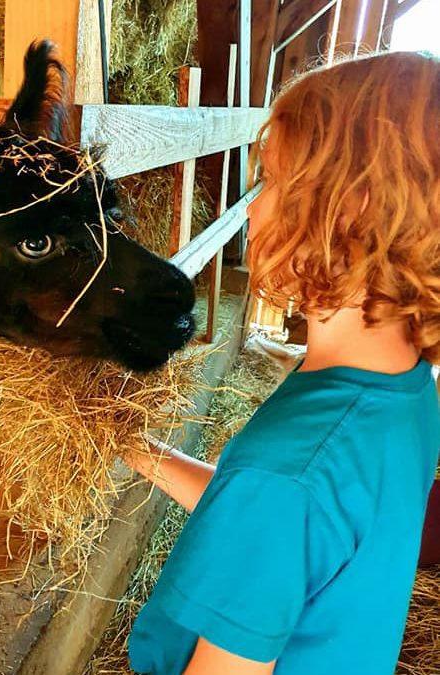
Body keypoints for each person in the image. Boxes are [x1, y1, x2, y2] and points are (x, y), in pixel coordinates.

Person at [125, 50, 440, 675]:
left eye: (269, 180)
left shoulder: (292, 468)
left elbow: (275, 497)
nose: (251, 208)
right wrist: (133, 447)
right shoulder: (402, 391)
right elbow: (259, 513)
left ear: (350, 208)